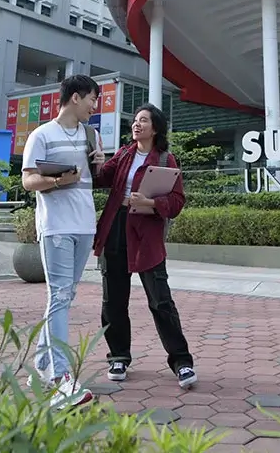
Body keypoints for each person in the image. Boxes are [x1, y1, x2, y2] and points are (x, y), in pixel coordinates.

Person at [94, 103, 196, 389]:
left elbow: (176, 202)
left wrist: (150, 202)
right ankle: (118, 357)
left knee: (161, 300)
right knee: (113, 299)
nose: (136, 125)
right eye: (135, 120)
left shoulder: (165, 159)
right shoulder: (124, 154)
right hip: (116, 227)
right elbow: (101, 179)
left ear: (156, 128)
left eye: (143, 120)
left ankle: (182, 361)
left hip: (146, 233)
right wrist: (99, 162)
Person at [21, 74, 105, 410]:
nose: (94, 106)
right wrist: (57, 180)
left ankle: (41, 366)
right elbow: (28, 181)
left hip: (84, 224)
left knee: (66, 296)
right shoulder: (41, 135)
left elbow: (94, 179)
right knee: (58, 295)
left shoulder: (91, 135)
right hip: (55, 226)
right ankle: (60, 378)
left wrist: (98, 165)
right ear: (75, 97)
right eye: (92, 99)